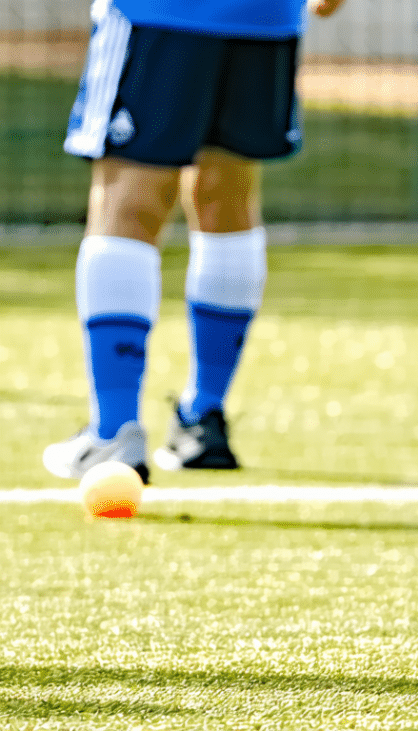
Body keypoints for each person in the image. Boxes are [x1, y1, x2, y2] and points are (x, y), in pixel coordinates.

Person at [43, 0, 346, 484]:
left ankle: (114, 431)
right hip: (266, 19)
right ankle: (203, 419)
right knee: (229, 193)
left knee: (127, 200)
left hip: (160, 13)